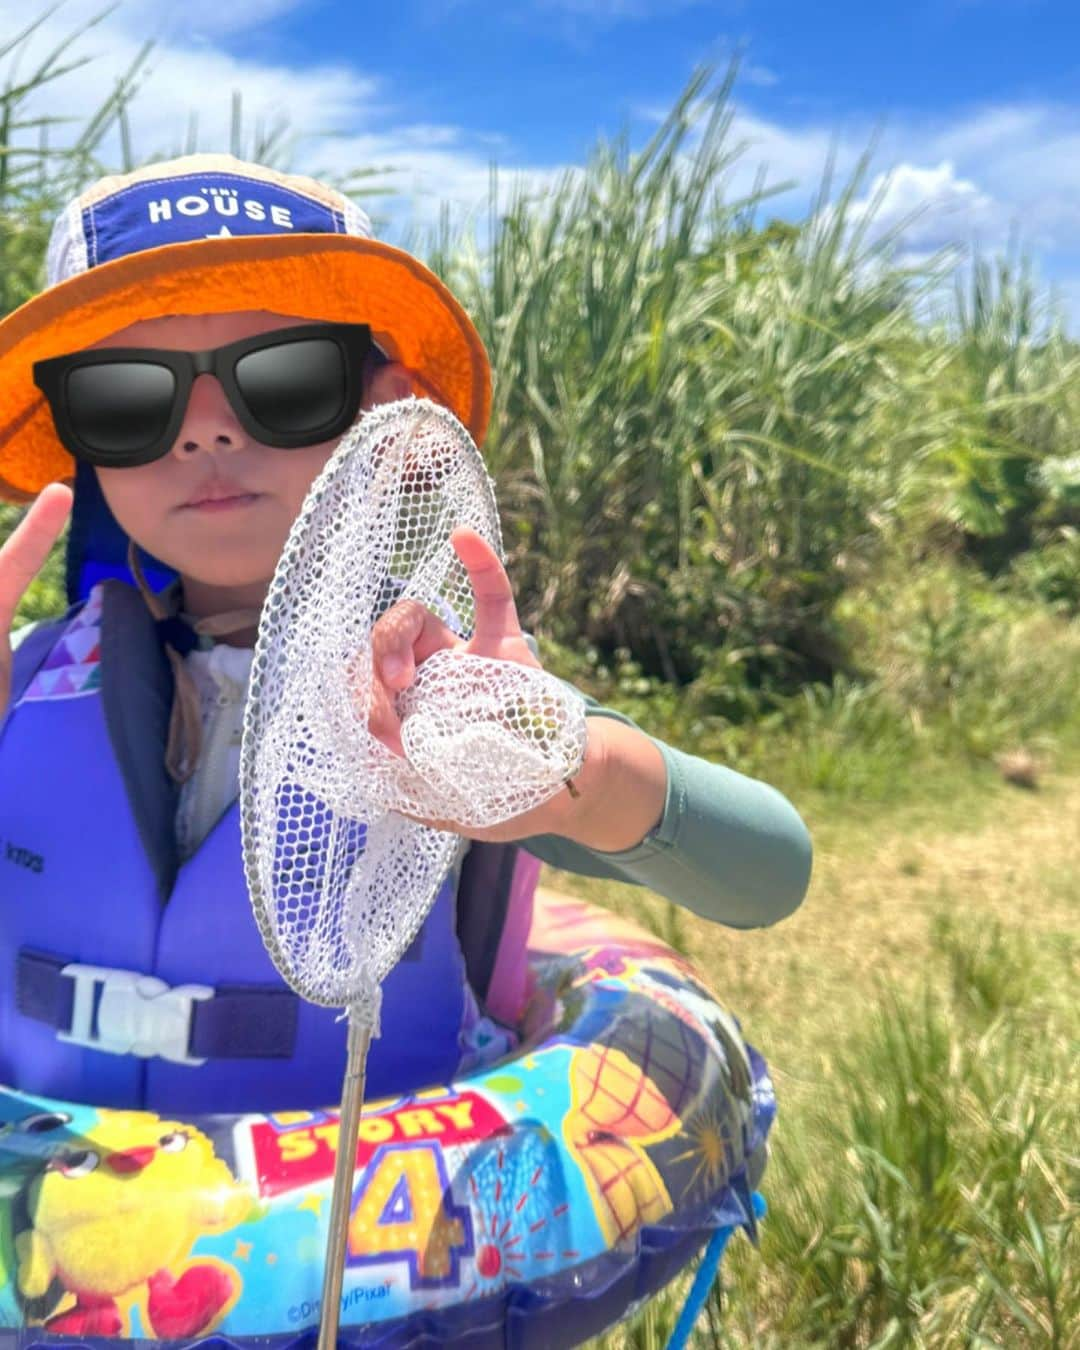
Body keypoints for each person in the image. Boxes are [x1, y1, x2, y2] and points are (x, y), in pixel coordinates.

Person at [0, 155, 812, 1117]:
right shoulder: (29, 680)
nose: (206, 432)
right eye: (128, 397)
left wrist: (572, 775)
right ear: (82, 440)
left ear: (383, 411)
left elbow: (769, 872)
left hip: (369, 1242)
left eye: (286, 381)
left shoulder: (449, 693)